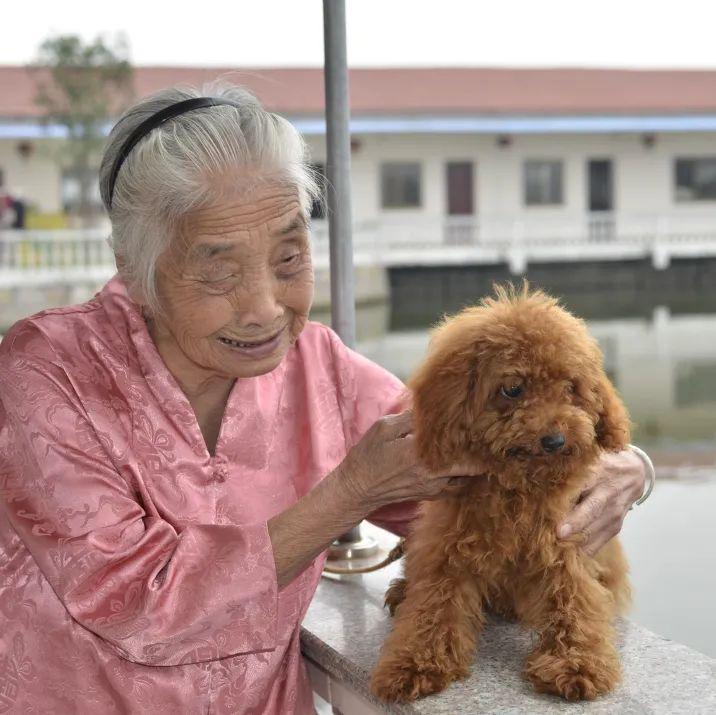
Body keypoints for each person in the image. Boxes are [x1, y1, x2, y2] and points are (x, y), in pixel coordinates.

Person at [0, 83, 648, 714]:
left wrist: (623, 469)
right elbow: (137, 605)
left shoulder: (321, 365)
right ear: (132, 268)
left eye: (288, 258)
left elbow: (468, 475)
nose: (263, 309)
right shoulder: (45, 375)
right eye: (219, 272)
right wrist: (347, 493)